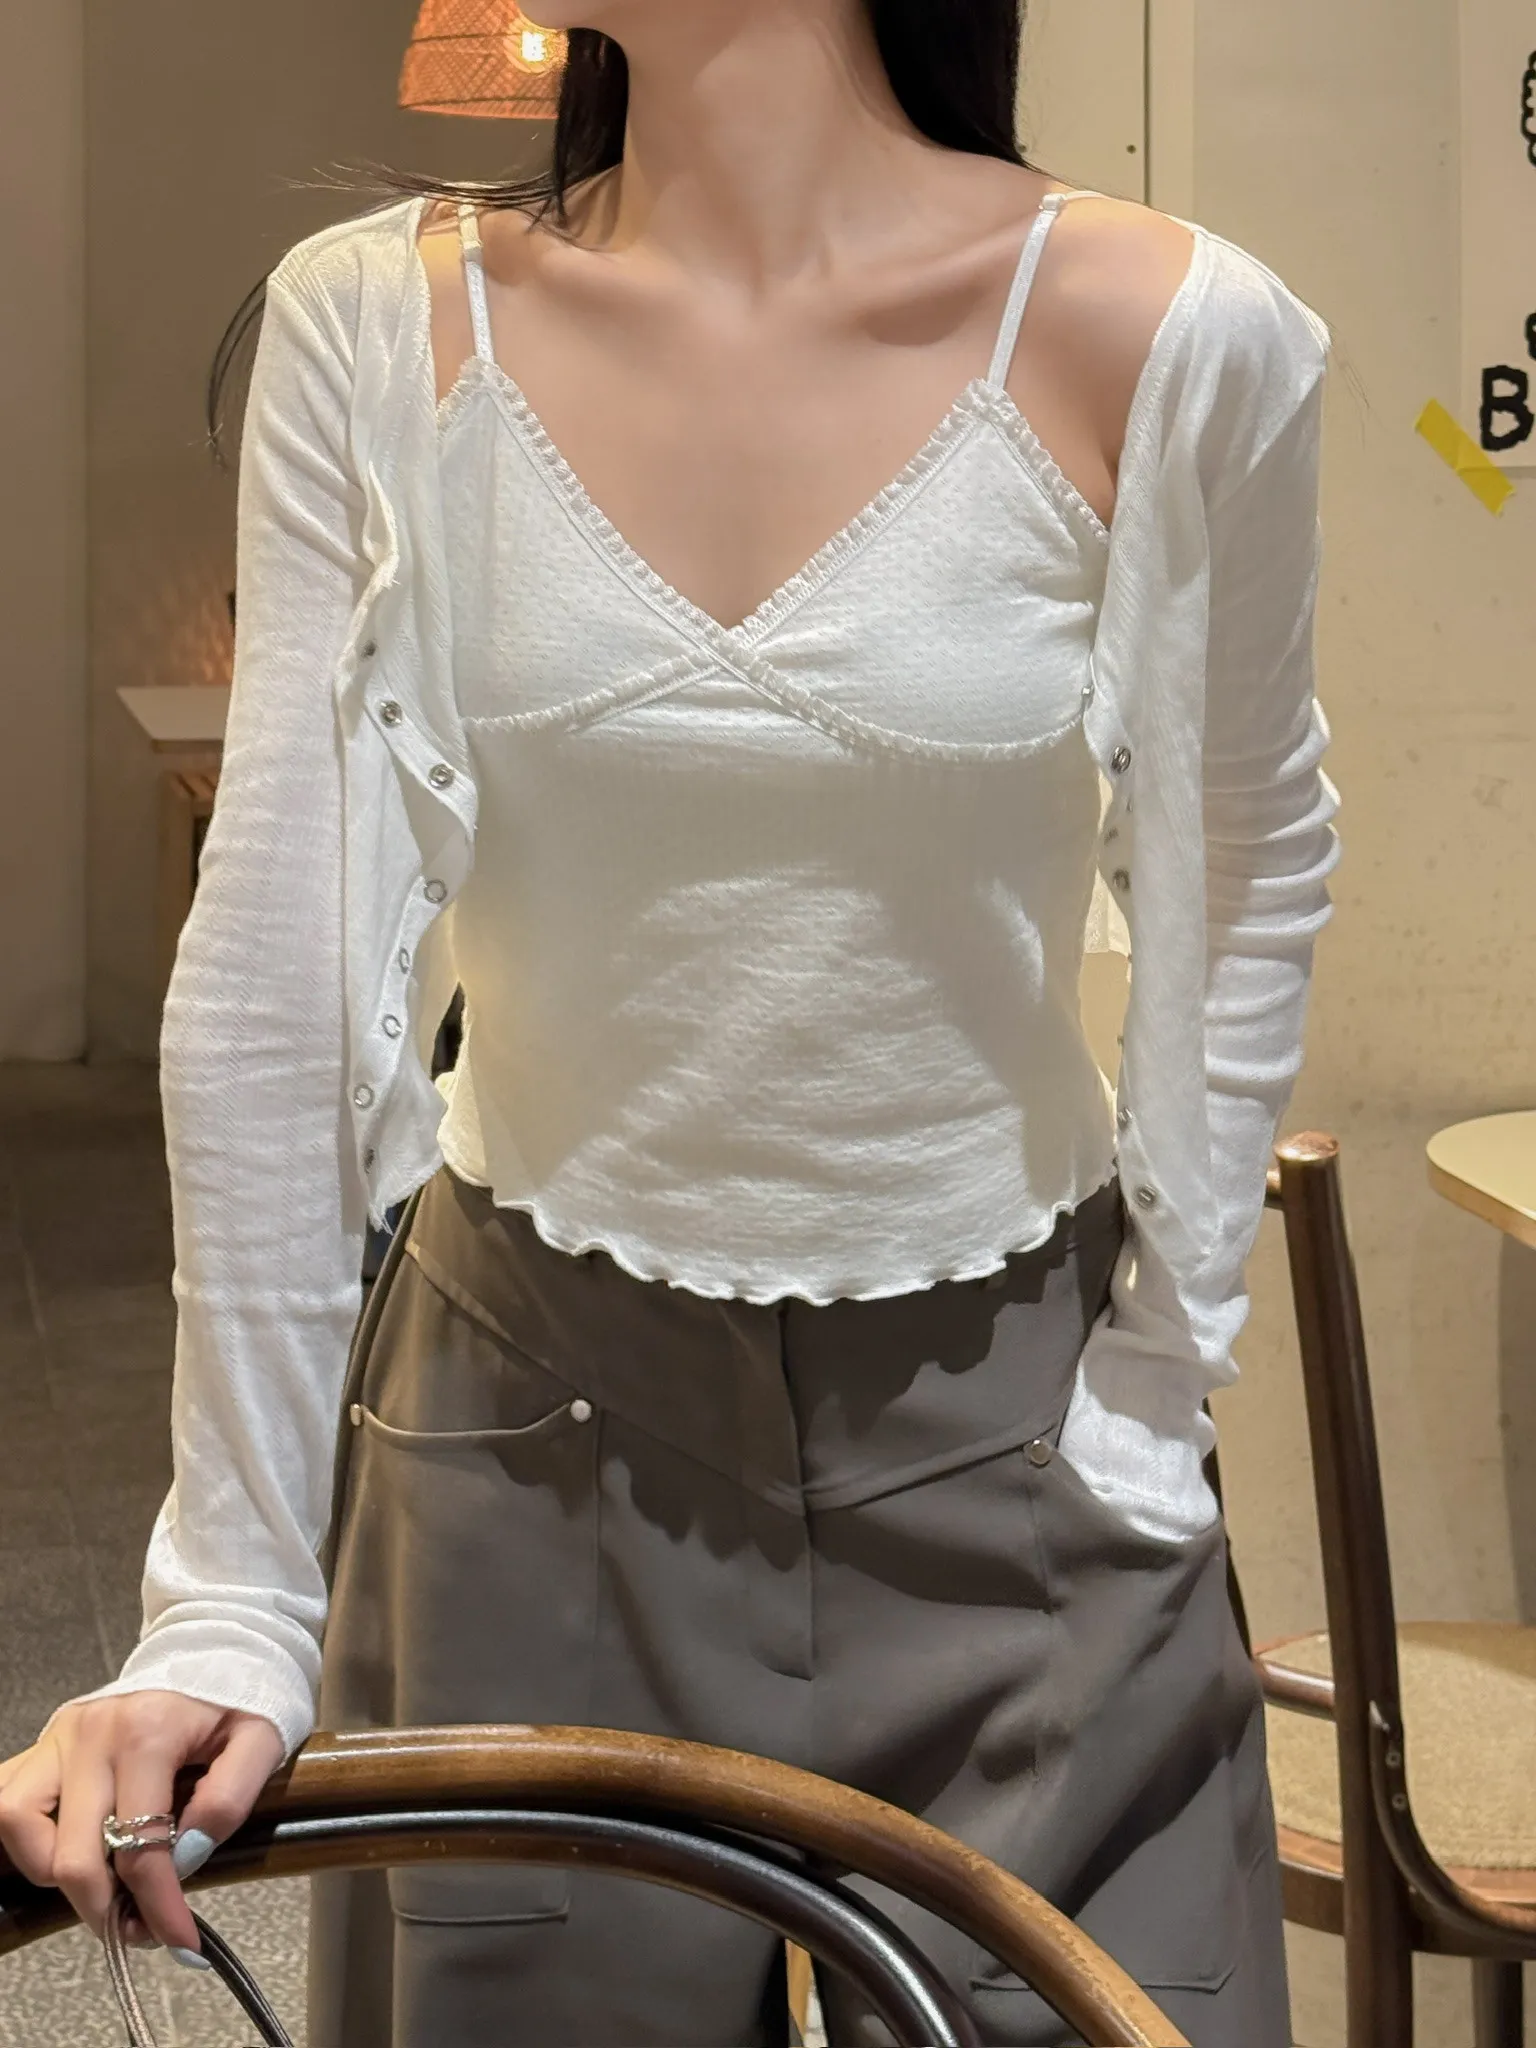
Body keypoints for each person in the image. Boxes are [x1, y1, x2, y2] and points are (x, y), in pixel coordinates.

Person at [0, 2, 1343, 2042]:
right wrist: (231, 1597)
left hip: (1023, 1441)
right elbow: (273, 958)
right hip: (522, 1442)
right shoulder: (375, 326)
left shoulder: (1177, 334)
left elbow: (1250, 872)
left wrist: (1158, 1390)